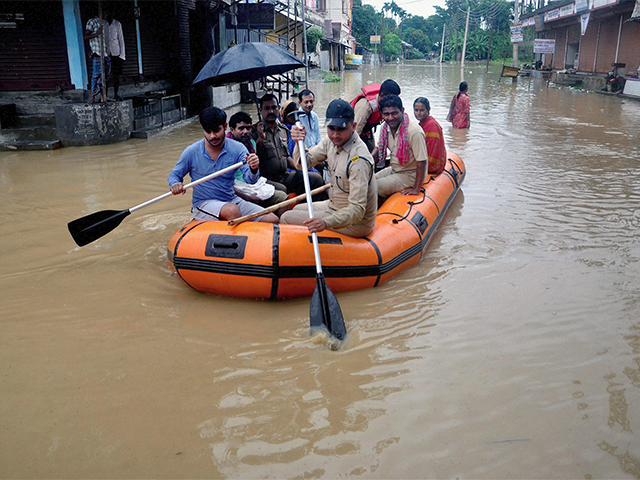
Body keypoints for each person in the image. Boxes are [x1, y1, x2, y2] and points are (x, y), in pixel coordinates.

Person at [281, 99, 378, 238]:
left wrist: (325, 222)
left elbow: (357, 211)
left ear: (354, 126)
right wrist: (298, 142)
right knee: (296, 208)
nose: (335, 135)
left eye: (341, 129)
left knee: (286, 217)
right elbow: (303, 164)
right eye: (331, 128)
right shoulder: (330, 142)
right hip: (334, 205)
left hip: (355, 223)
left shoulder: (359, 160)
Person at [168, 107, 278, 223]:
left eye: (216, 130)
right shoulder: (191, 151)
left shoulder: (238, 148)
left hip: (231, 199)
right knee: (233, 211)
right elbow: (174, 175)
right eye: (208, 131)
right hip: (204, 203)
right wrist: (175, 184)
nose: (212, 136)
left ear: (225, 127)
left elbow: (250, 180)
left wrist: (254, 168)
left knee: (272, 220)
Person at [252, 94, 326, 200]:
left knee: (315, 178)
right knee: (282, 189)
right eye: (267, 108)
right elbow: (254, 159)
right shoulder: (254, 132)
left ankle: (313, 210)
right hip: (266, 178)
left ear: (278, 107)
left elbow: (286, 157)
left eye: (274, 108)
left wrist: (302, 168)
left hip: (284, 175)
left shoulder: (283, 130)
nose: (271, 111)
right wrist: (260, 139)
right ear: (260, 110)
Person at [226, 111, 288, 209]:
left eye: (248, 128)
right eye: (241, 128)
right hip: (238, 186)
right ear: (232, 130)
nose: (245, 131)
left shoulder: (251, 143)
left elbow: (254, 167)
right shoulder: (227, 147)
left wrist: (260, 138)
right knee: (282, 197)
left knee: (282, 188)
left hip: (252, 181)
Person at [374, 94, 429, 198]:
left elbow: (422, 161)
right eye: (386, 114)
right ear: (381, 114)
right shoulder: (385, 128)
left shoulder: (414, 132)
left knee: (373, 187)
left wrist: (416, 189)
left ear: (402, 111)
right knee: (367, 182)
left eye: (394, 113)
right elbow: (378, 149)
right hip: (395, 168)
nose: (390, 118)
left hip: (410, 174)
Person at [350, 79, 401, 153]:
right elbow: (354, 131)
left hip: (367, 131)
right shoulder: (365, 106)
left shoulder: (387, 106)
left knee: (373, 153)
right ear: (382, 96)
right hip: (354, 131)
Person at [84, 9, 111, 103]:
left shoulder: (104, 23)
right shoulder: (92, 22)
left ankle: (104, 96)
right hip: (97, 52)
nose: (107, 15)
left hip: (105, 53)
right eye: (106, 13)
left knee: (105, 75)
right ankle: (92, 97)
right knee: (96, 75)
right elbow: (86, 36)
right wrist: (97, 33)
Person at [413, 97, 446, 175]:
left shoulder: (432, 126)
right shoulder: (422, 124)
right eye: (416, 110)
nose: (418, 113)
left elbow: (432, 152)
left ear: (428, 110)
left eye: (422, 110)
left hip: (431, 166)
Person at [104, 8, 126, 101]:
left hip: (116, 54)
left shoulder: (117, 24)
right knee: (106, 76)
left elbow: (121, 39)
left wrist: (122, 55)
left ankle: (116, 94)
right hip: (107, 54)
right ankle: (106, 95)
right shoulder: (103, 24)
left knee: (116, 75)